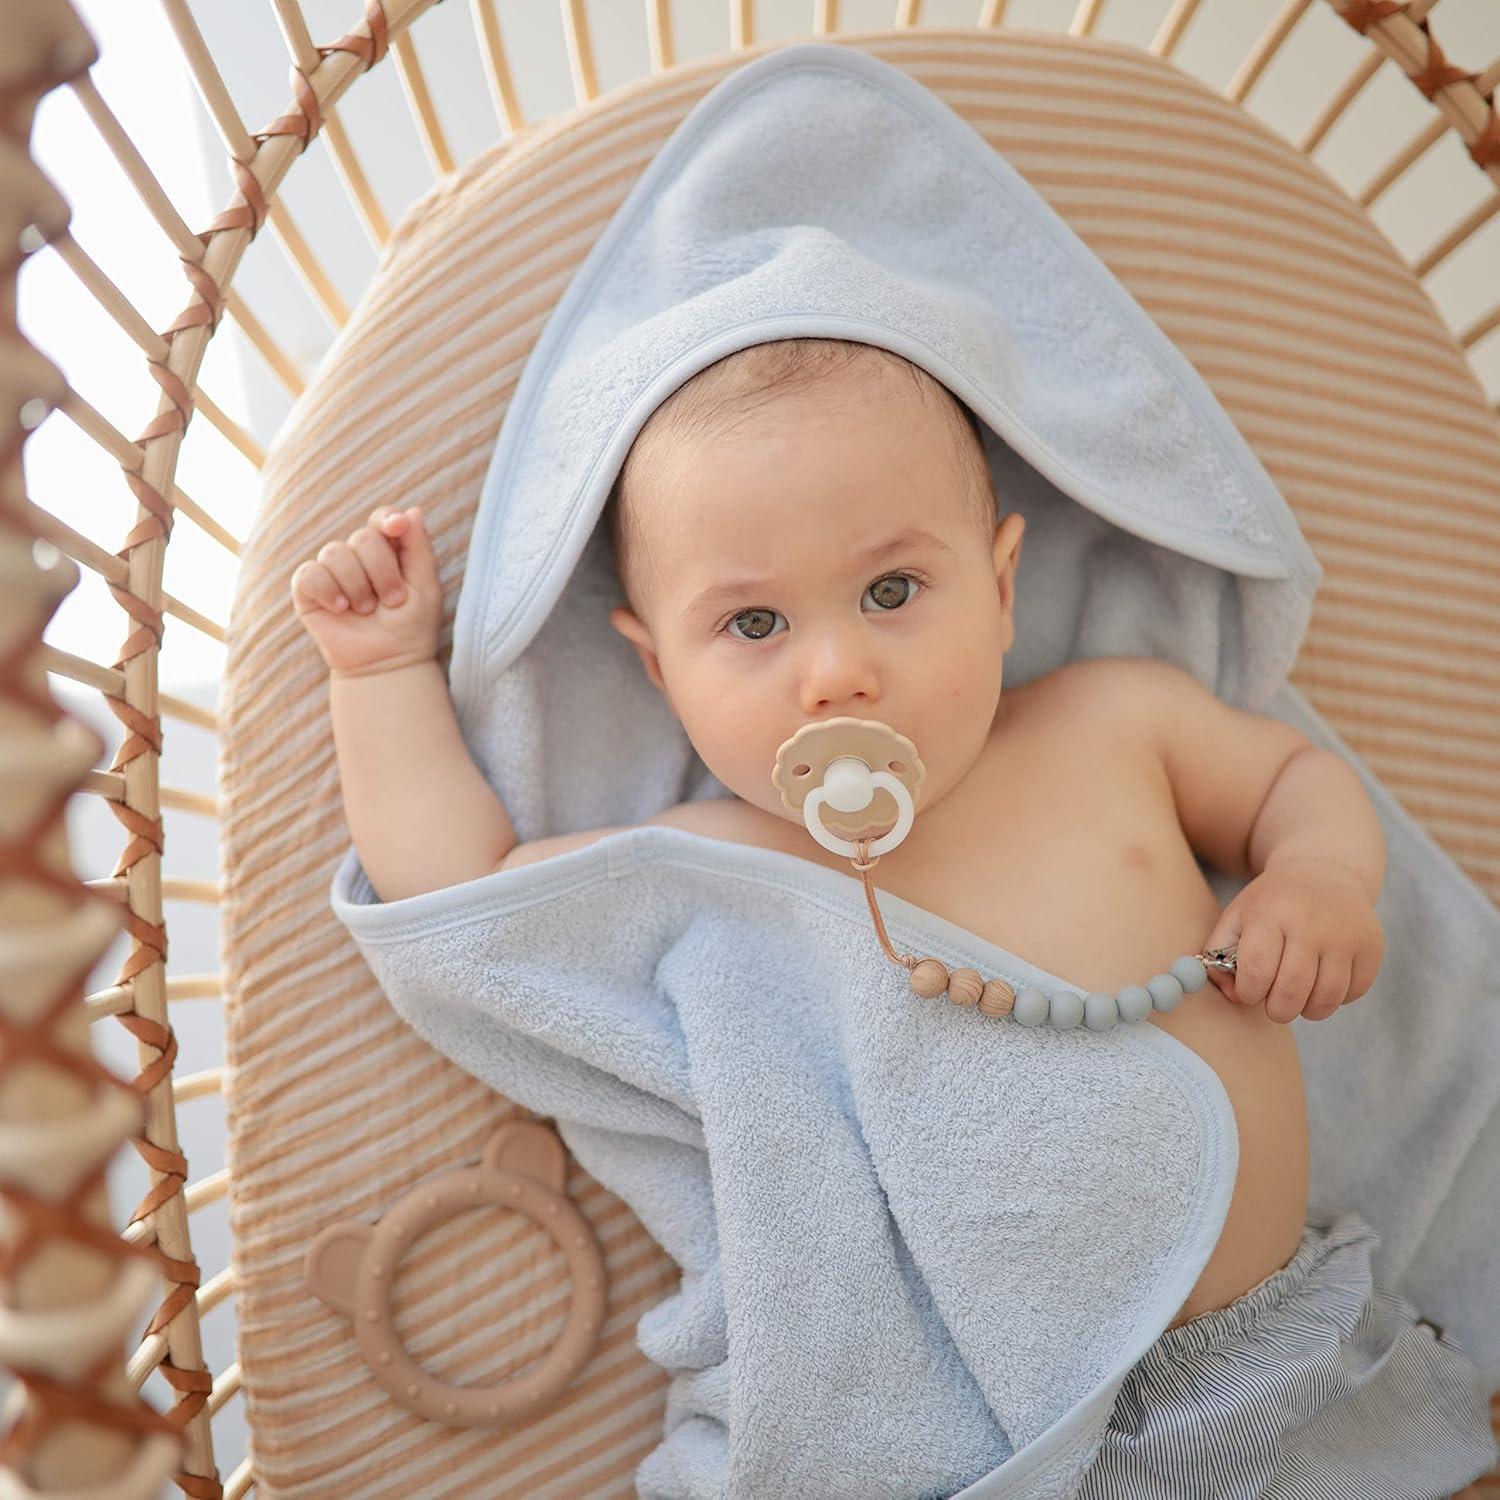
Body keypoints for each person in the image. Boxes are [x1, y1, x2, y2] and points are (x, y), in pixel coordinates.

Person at [292, 336, 1497, 1496]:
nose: (836, 673)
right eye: (753, 625)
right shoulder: (709, 863)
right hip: (981, 1434)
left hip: (1275, 1372)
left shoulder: (1113, 723)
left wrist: (1318, 882)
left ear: (1004, 582)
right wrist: (380, 671)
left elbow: (1294, 783)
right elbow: (465, 887)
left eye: (891, 590)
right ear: (659, 671)